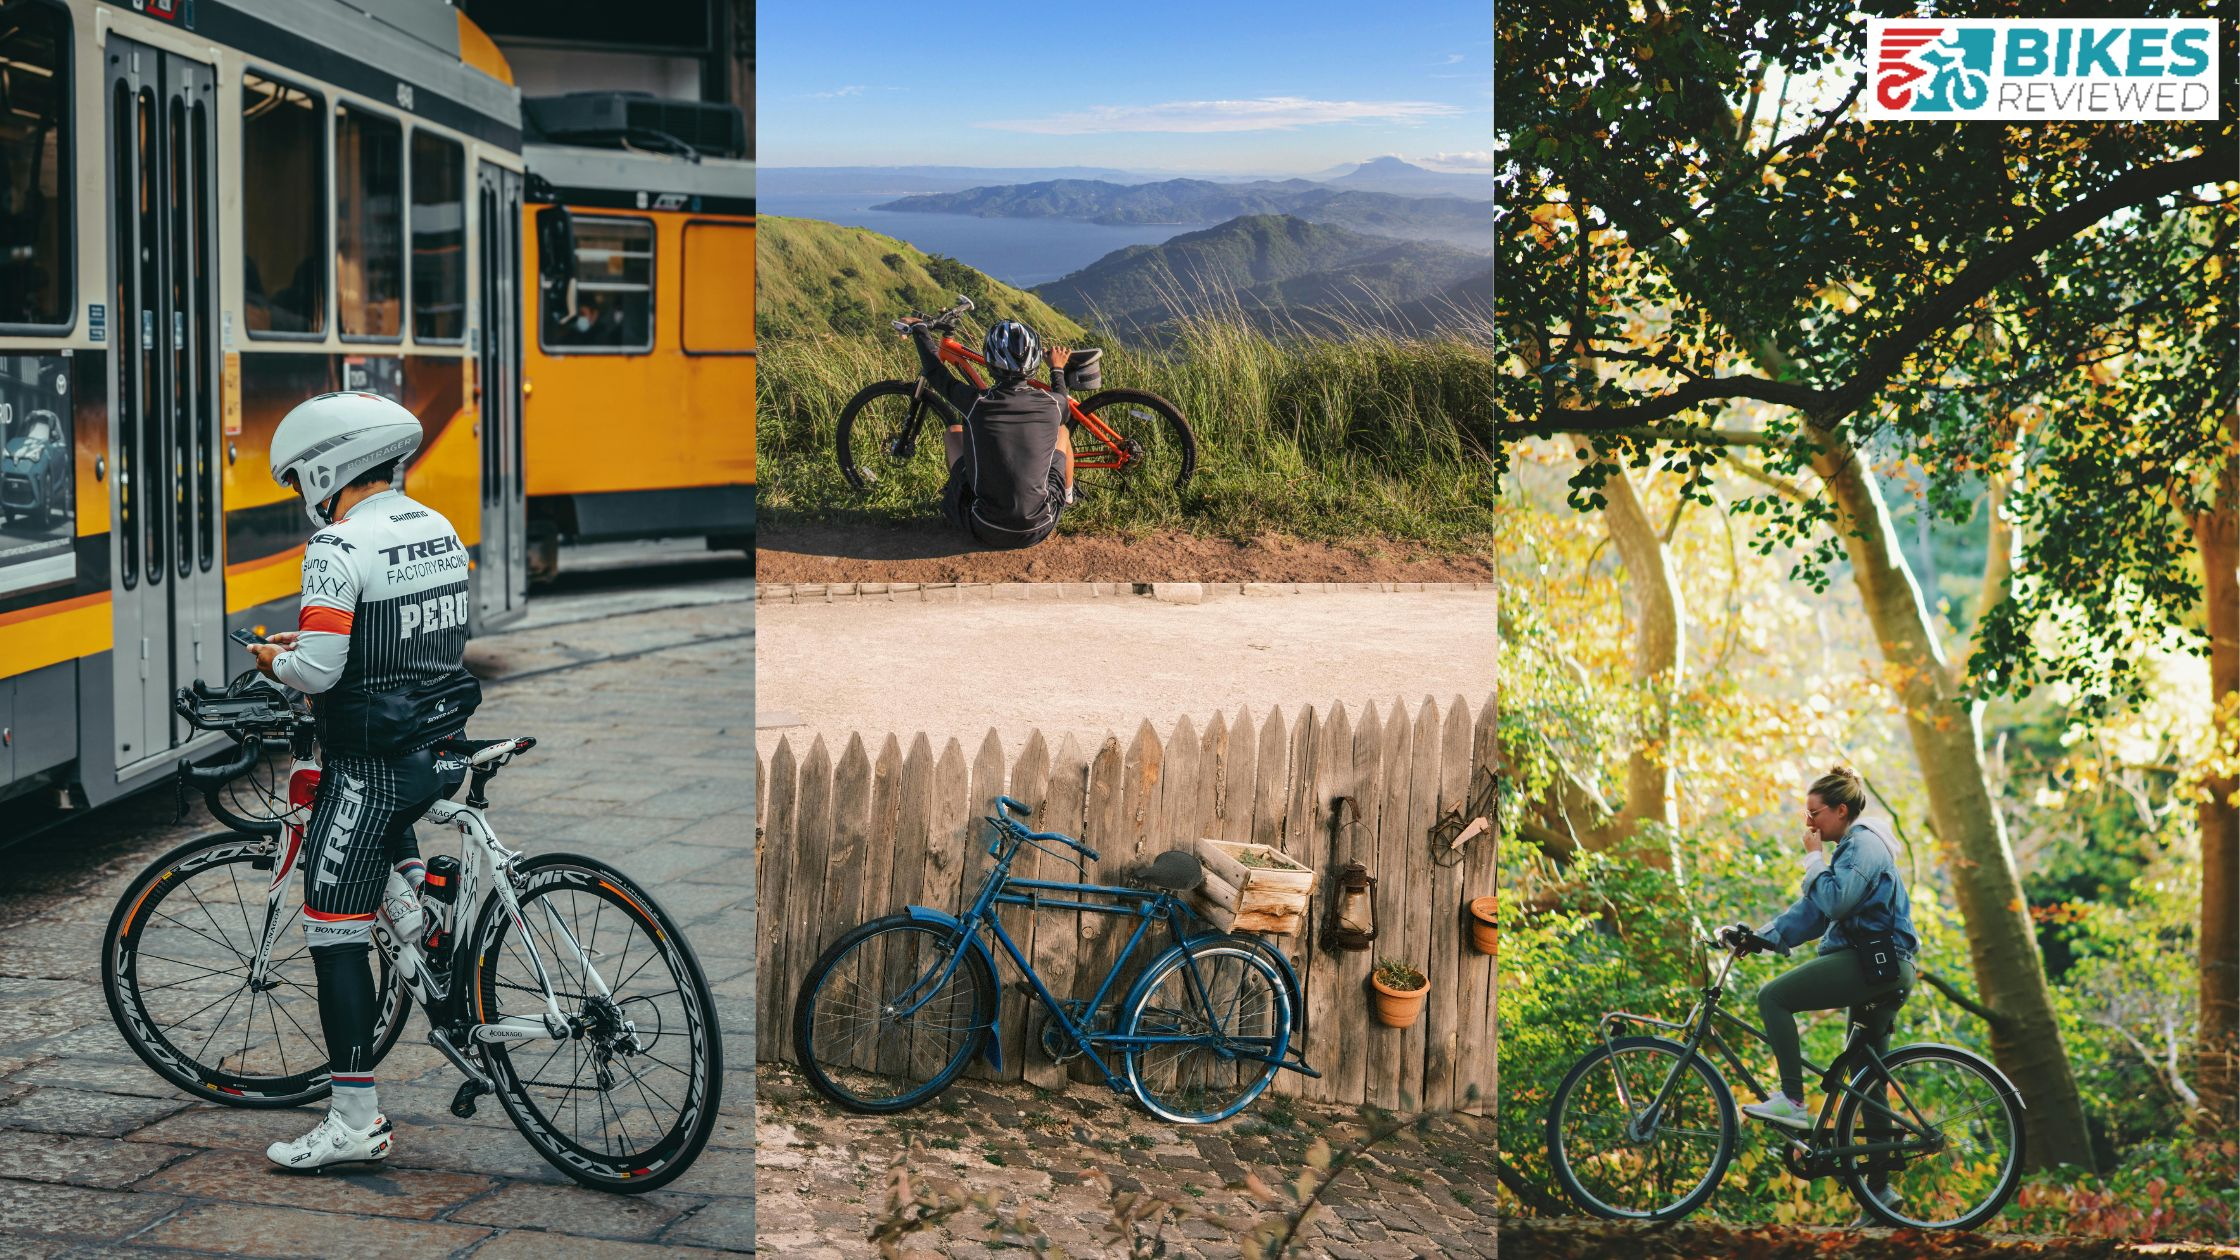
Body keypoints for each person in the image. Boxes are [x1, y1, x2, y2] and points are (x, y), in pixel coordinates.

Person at [247, 391, 481, 1171]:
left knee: (333, 932)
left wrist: (273, 660)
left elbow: (319, 668)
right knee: (386, 851)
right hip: (437, 742)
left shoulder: (339, 546)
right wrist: (316, 642)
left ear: (325, 467)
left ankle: (353, 1120)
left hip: (371, 758)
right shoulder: (438, 527)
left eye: (297, 480)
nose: (301, 496)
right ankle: (427, 925)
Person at [1721, 765, 1918, 1132]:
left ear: (1840, 810)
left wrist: (1813, 859)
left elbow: (1836, 902)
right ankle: (1880, 1186)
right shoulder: (1852, 848)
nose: (1809, 823)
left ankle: (1792, 1101)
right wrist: (1760, 937)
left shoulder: (1863, 844)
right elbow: (1815, 910)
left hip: (1873, 961)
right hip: (1884, 966)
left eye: (1814, 813)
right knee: (1866, 1076)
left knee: (1773, 998)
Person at [909, 317, 1076, 549]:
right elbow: (1063, 400)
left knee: (953, 432)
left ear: (989, 362)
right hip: (1040, 526)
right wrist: (1057, 368)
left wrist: (919, 329)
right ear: (1036, 361)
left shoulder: (976, 403)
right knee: (1062, 431)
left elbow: (935, 372)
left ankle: (960, 492)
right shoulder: (1054, 404)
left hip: (985, 527)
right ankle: (1067, 497)